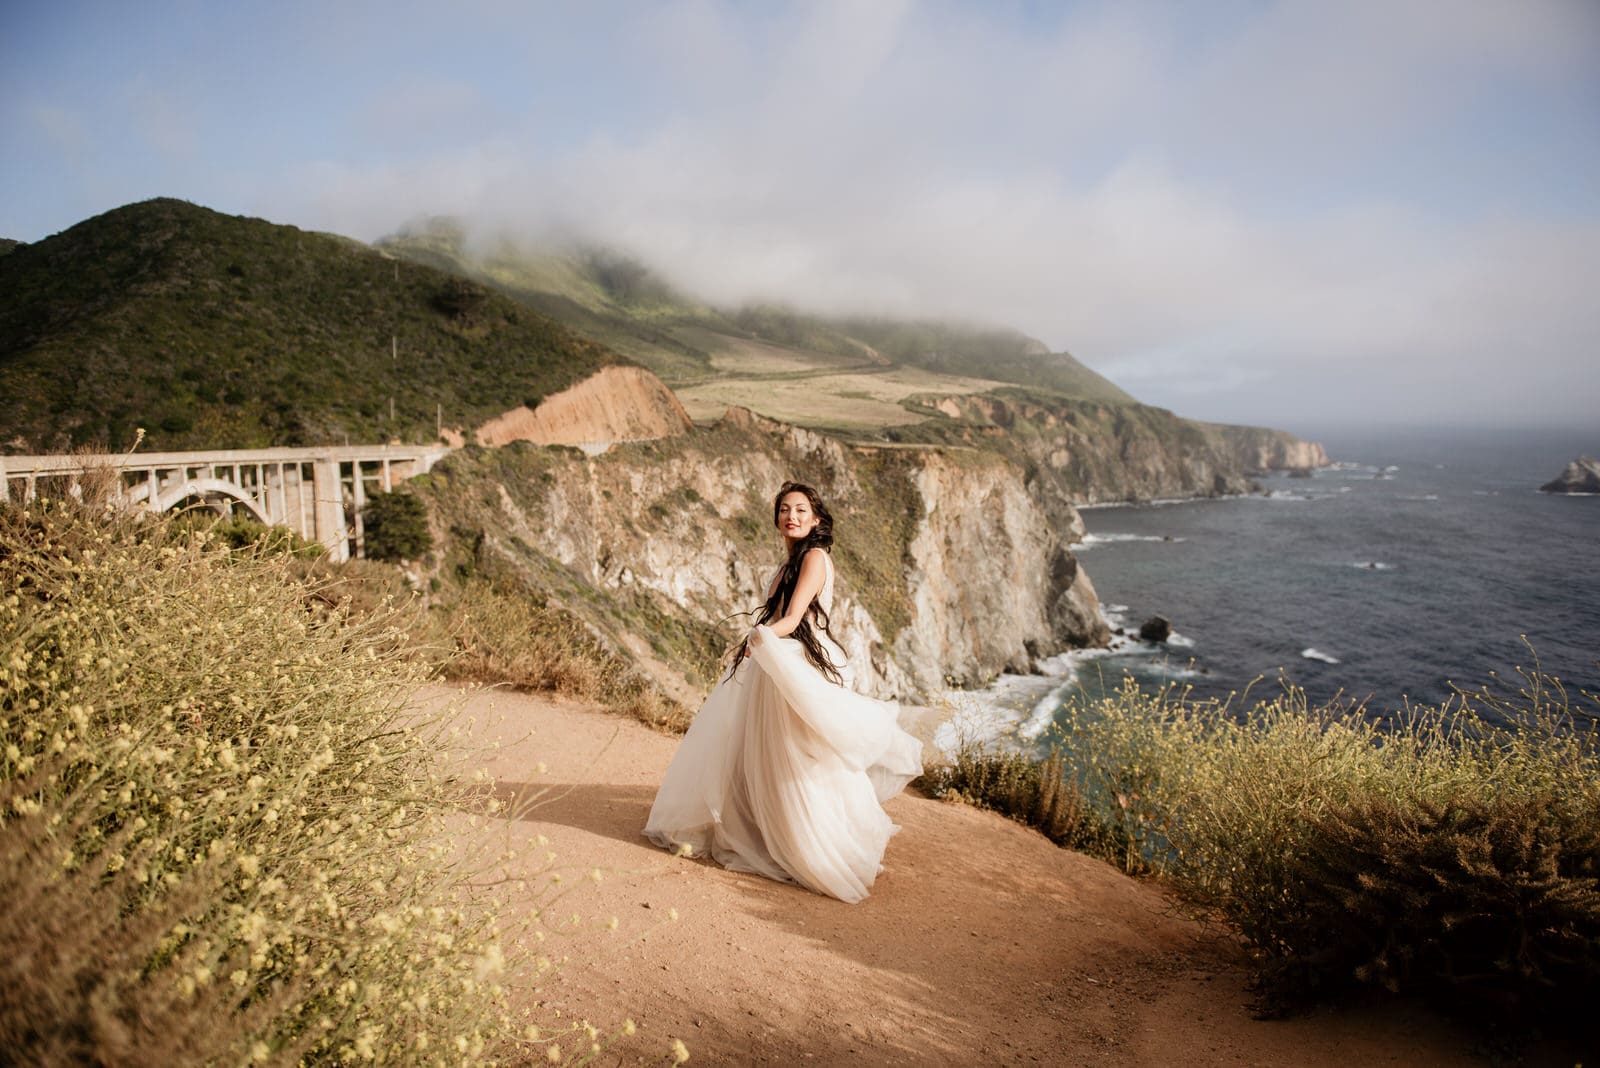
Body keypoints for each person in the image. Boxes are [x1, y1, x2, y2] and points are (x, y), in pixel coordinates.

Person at [643, 481, 923, 903]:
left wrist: (751, 640)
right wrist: (757, 645)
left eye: (800, 510)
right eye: (784, 510)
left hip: (794, 658)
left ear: (815, 519)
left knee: (794, 755)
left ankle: (805, 842)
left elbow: (792, 619)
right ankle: (762, 829)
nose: (791, 516)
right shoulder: (790, 560)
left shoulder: (814, 556)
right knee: (763, 751)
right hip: (775, 656)